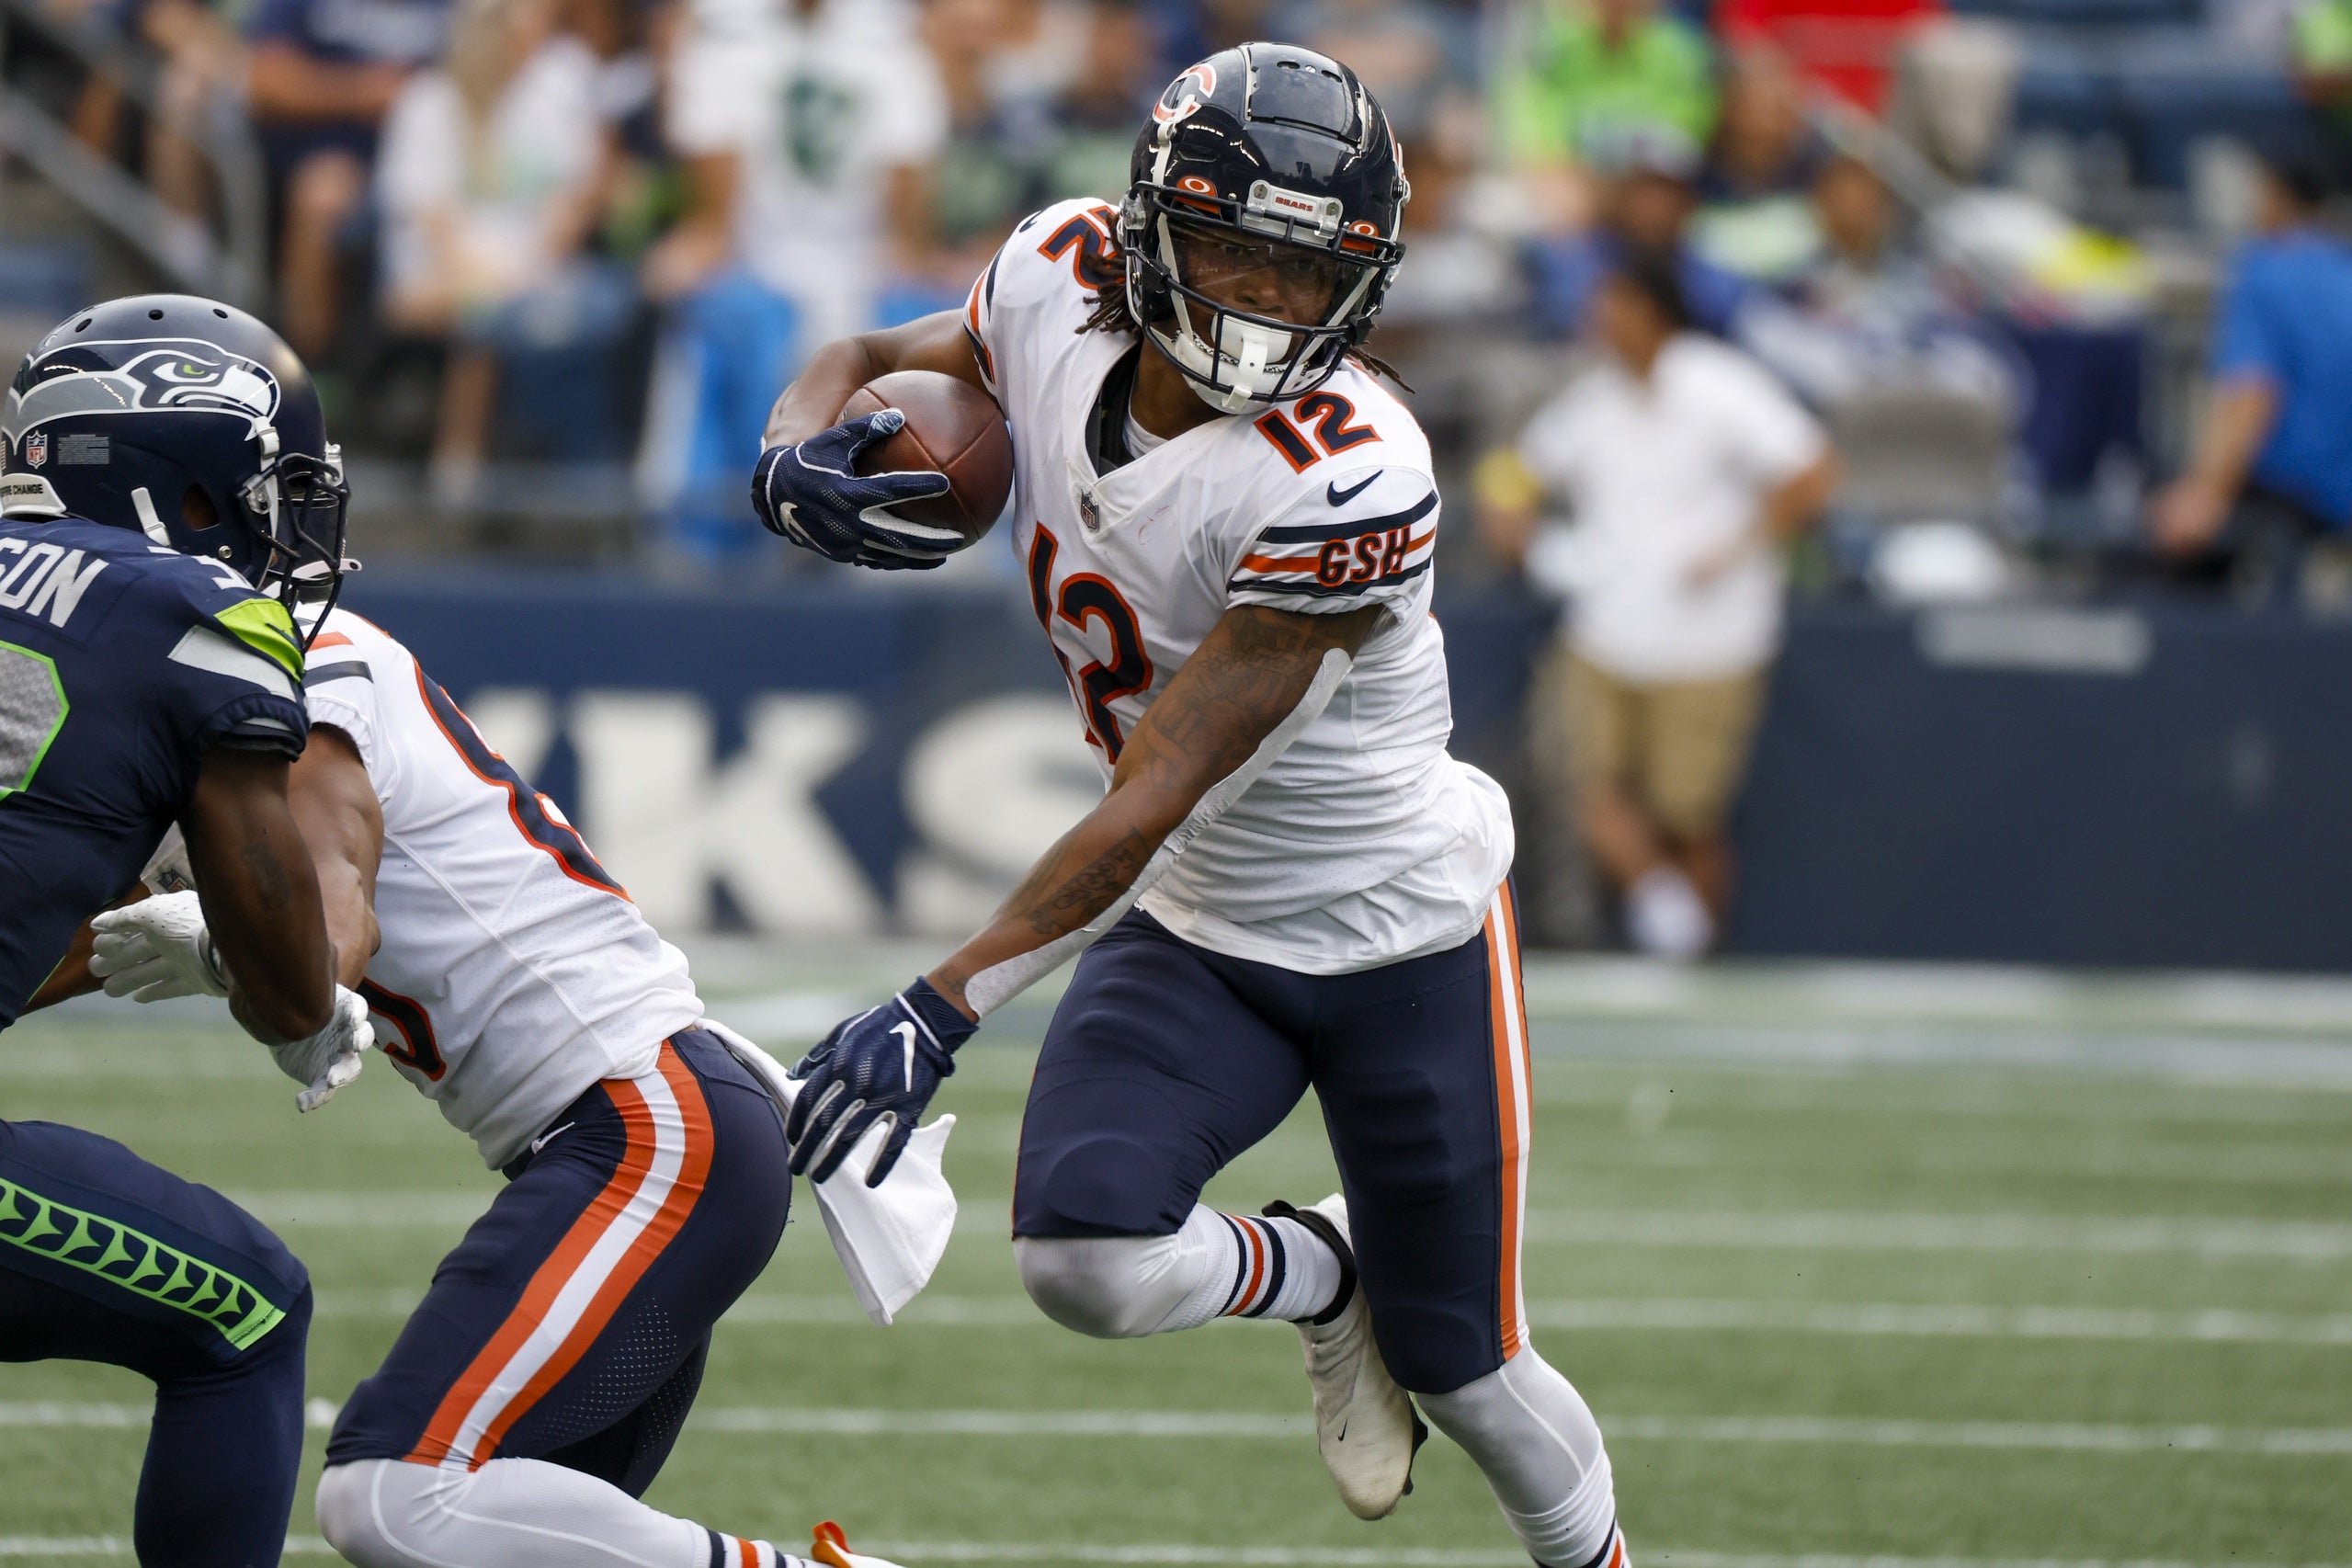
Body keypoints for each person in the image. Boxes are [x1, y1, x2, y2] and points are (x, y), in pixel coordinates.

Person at [751, 45, 1630, 1568]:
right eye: (1231, 251)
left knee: (1468, 1369)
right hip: (1203, 922)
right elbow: (849, 352)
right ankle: (1313, 1271)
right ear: (1152, 227)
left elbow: (1159, 777)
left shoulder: (1347, 474)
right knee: (1081, 1261)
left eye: (1306, 276)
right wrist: (785, 455)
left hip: (1394, 931)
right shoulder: (1048, 271)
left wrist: (943, 1000)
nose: (1262, 305)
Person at [72, 607, 908, 1564]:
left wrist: (233, 946)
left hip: (650, 1128)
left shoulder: (299, 657)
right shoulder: (171, 696)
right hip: (631, 1136)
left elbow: (332, 927)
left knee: (393, 1491)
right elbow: (68, 936)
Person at [0, 294, 374, 1564]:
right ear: (194, 479)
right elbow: (287, 995)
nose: (285, 518)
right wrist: (235, 941)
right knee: (247, 1310)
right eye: (272, 485)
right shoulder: (192, 627)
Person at [1488, 254, 1837, 959]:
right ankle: (1666, 915)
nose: (1598, 322)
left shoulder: (1721, 385)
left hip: (1711, 641)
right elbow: (1513, 472)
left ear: (1652, 312)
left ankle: (1696, 954)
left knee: (1688, 817)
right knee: (1584, 790)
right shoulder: (1591, 401)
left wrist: (1736, 546)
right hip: (1603, 636)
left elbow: (1813, 472)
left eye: (1612, 306)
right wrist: (1516, 526)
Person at [644, 0, 949, 561]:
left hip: (869, 266)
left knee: (948, 325)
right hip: (758, 266)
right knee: (737, 323)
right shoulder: (722, 33)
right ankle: (708, 542)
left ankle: (929, 543)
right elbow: (716, 217)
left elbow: (907, 219)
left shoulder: (890, 39)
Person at [375, 0, 624, 497]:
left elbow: (576, 201)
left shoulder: (557, 91)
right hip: (438, 273)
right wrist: (501, 278)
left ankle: (573, 483)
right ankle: (461, 477)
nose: (529, 44)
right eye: (516, 32)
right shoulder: (429, 102)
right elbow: (433, 227)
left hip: (537, 272)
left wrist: (533, 264)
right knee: (485, 316)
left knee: (584, 307)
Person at [2146, 148, 2352, 575]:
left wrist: (2206, 494)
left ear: (2276, 194)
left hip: (2291, 502)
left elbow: (2251, 394)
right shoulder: (2342, 270)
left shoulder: (2265, 271)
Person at [242, 0, 452, 361]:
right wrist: (368, 92)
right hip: (334, 158)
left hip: (440, 158)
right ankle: (308, 368)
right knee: (323, 193)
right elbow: (264, 79)